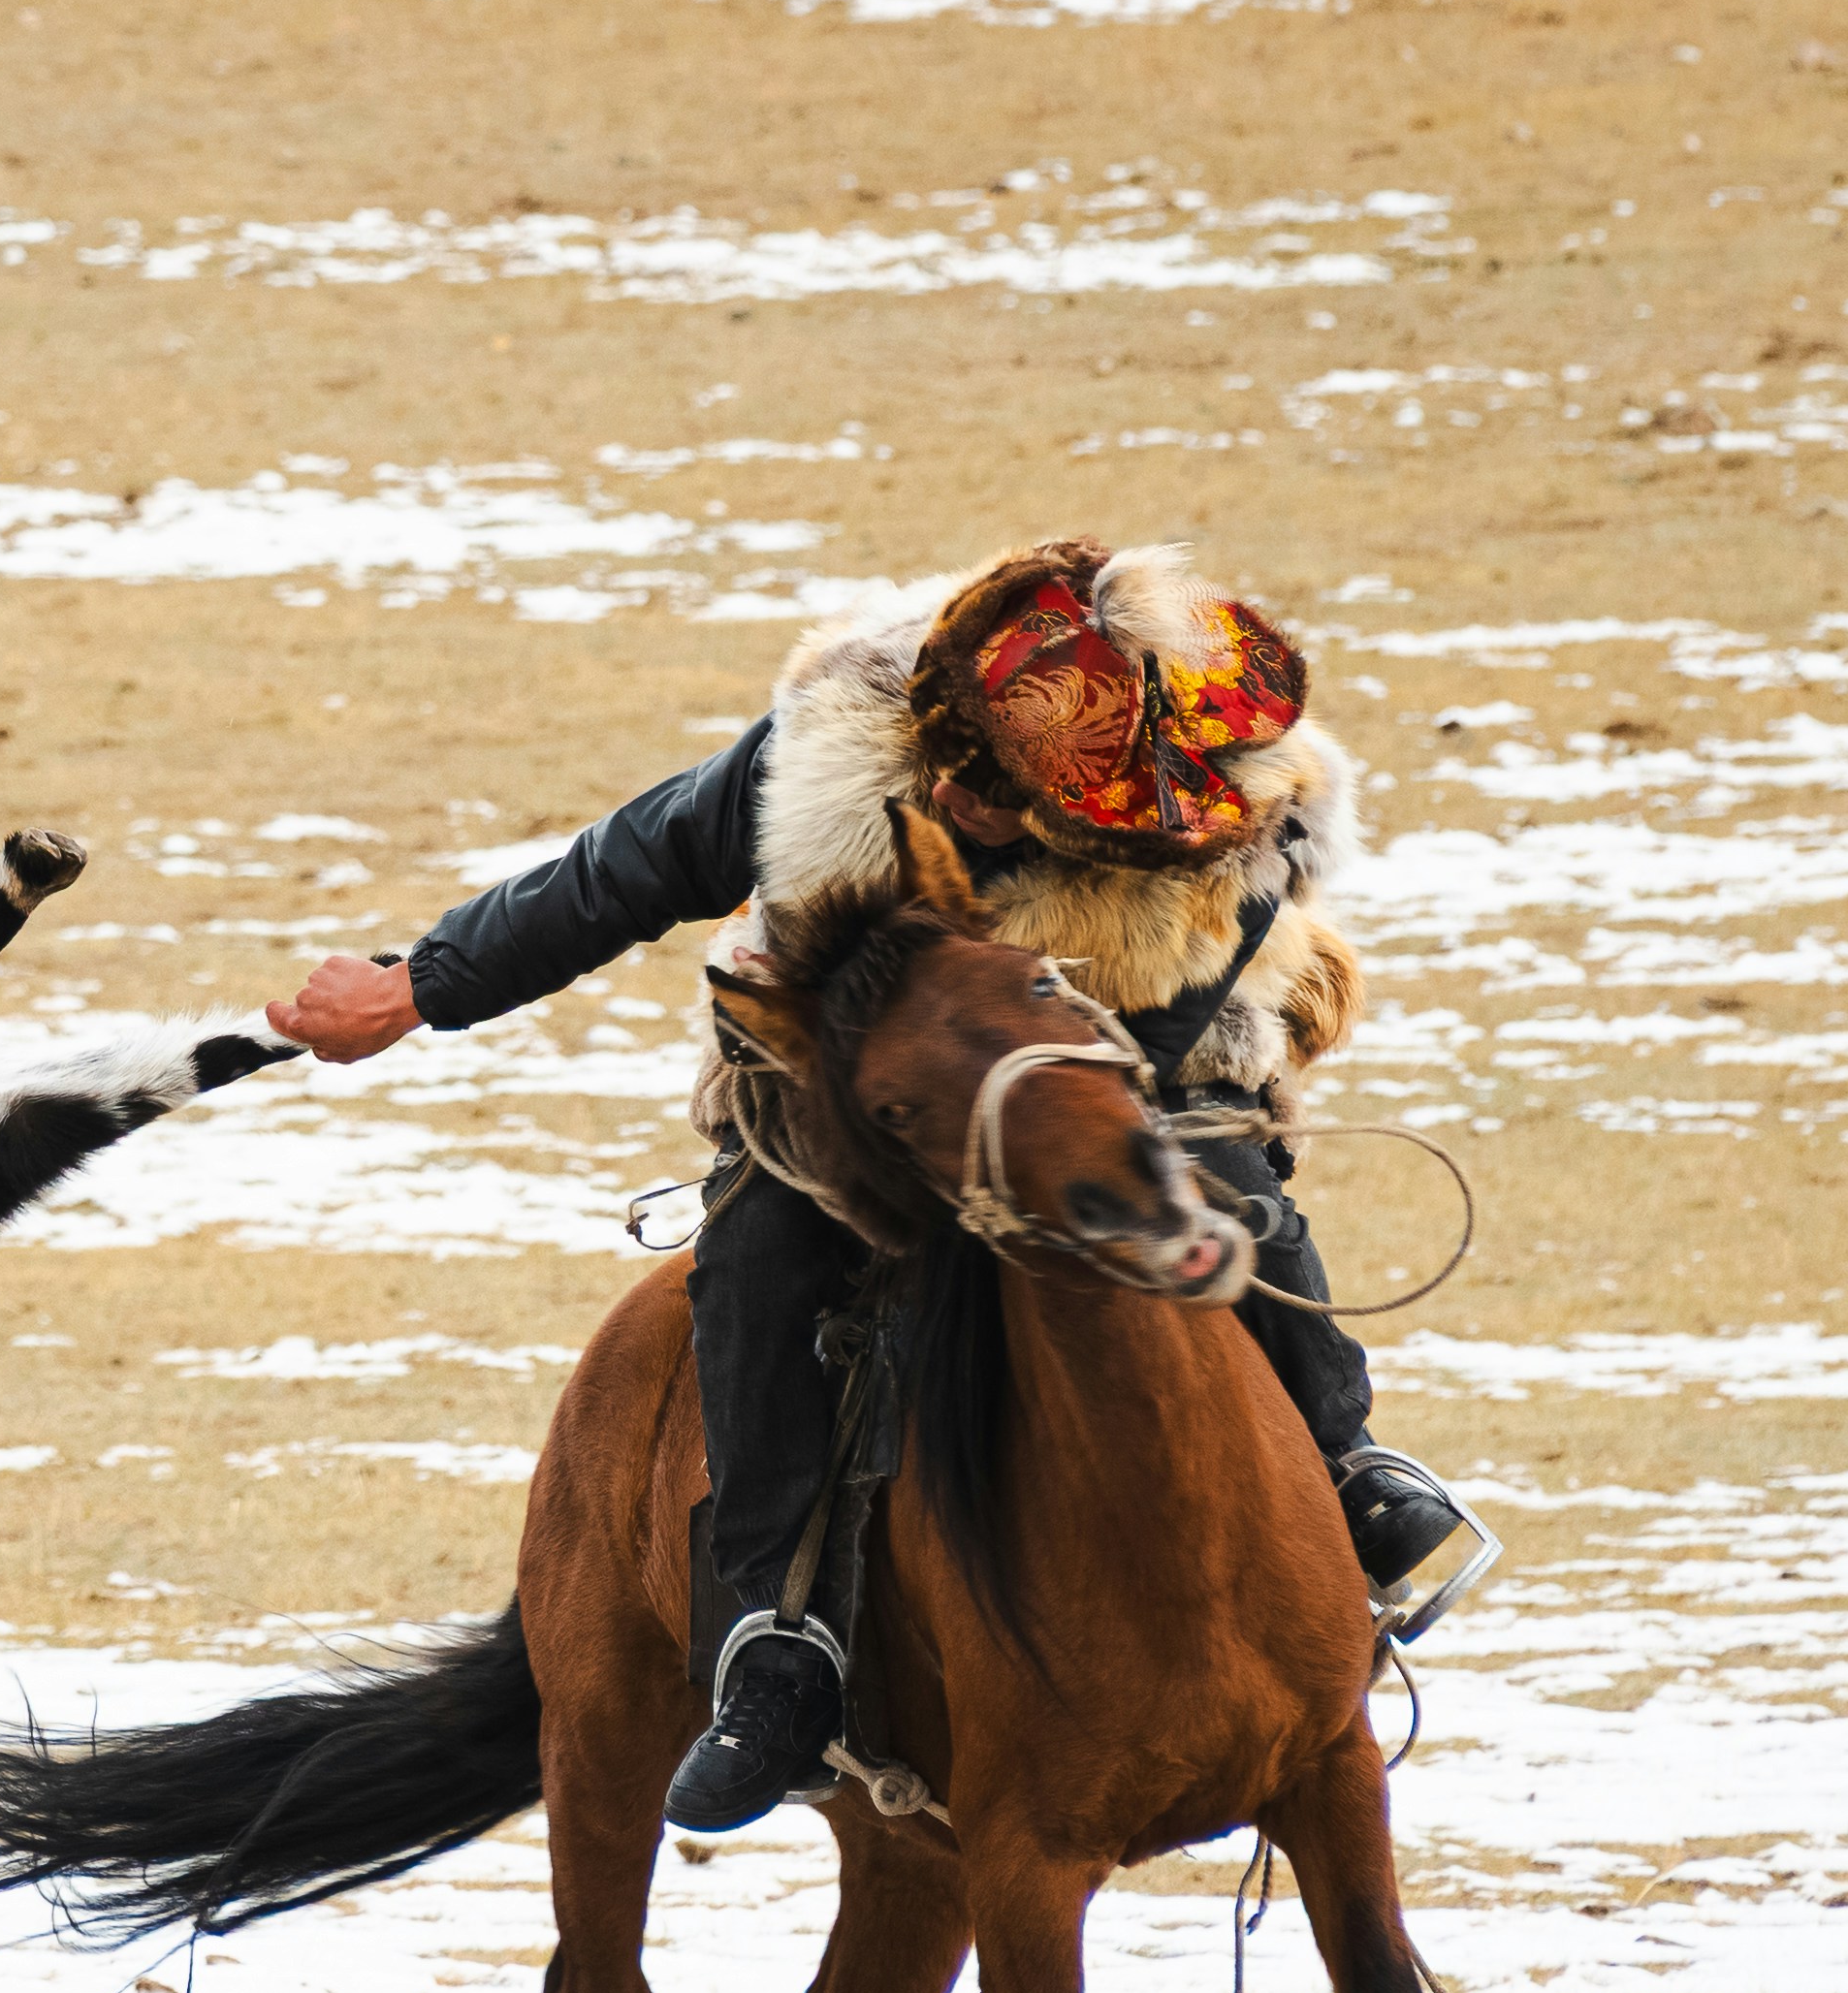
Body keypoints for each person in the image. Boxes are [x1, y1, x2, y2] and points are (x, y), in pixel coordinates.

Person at [264, 540, 1494, 1834]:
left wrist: (1060, 1113)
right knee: (762, 1254)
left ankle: (1346, 1464)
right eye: (960, 777)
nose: (973, 812)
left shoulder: (1216, 812)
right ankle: (772, 1643)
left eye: (1011, 803)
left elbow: (1167, 1020)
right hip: (859, 1048)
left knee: (1230, 1189)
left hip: (1129, 1035)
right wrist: (419, 985)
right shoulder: (840, 739)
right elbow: (625, 867)